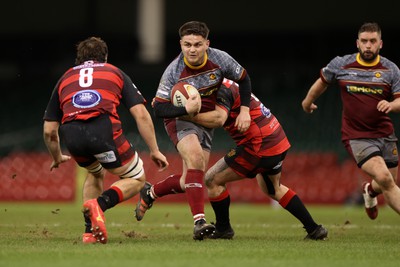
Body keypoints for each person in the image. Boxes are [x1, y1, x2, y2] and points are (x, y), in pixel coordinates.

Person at [138, 78, 328, 240]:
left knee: (211, 180)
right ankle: (314, 228)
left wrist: (188, 116)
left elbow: (218, 119)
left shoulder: (221, 90)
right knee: (273, 189)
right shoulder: (225, 83)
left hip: (257, 145)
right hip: (277, 139)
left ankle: (223, 229)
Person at [43, 36, 169, 244]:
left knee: (94, 172)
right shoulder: (114, 71)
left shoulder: (65, 77)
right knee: (137, 179)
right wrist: (154, 150)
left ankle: (89, 232)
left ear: (78, 59)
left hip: (71, 134)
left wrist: (56, 157)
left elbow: (49, 130)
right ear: (106, 57)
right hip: (102, 130)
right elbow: (141, 114)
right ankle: (99, 205)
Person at [134, 21, 252, 240]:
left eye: (198, 44)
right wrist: (183, 109)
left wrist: (244, 110)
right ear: (181, 44)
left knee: (191, 178)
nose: (192, 49)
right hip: (179, 119)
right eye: (187, 44)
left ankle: (151, 192)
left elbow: (244, 80)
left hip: (204, 121)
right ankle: (199, 222)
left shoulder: (221, 59)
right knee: (196, 159)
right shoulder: (174, 71)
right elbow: (159, 107)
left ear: (207, 43)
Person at [301, 22, 400, 220]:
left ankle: (369, 191)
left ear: (380, 44)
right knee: (386, 179)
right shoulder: (341, 64)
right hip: (357, 136)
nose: (368, 45)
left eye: (373, 41)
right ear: (357, 43)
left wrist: (391, 105)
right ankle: (372, 190)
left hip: (385, 134)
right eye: (364, 41)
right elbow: (323, 82)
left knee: (387, 181)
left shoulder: (391, 70)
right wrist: (307, 101)